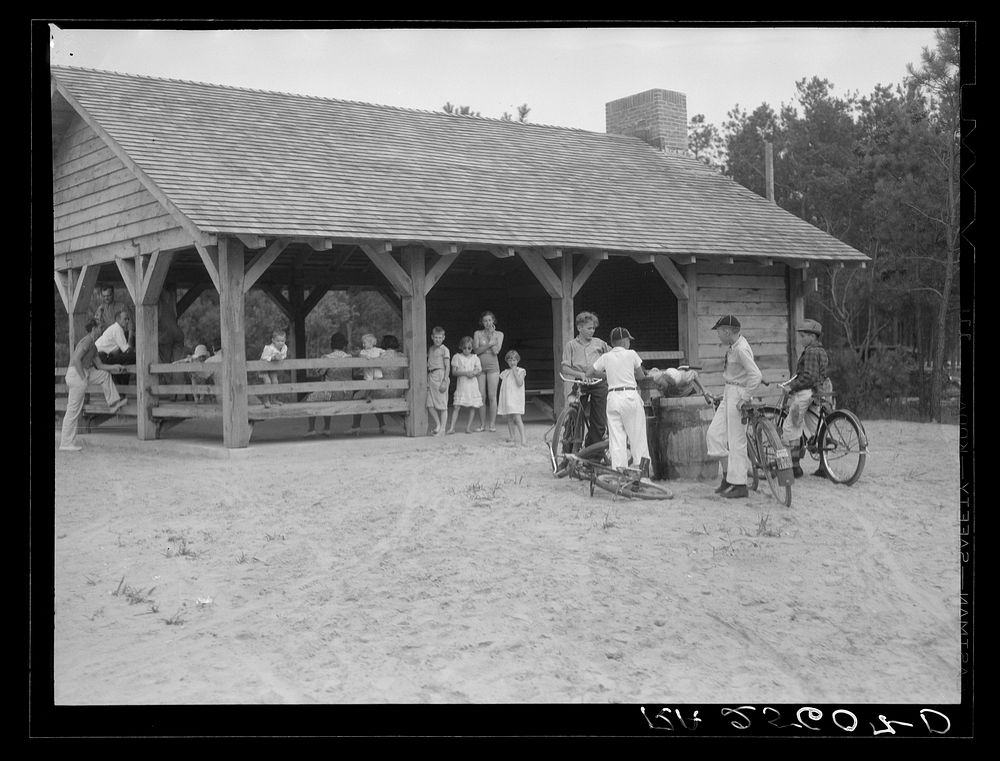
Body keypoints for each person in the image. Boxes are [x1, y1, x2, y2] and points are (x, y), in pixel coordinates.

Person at [705, 315, 762, 499]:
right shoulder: (734, 347)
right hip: (730, 391)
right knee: (714, 435)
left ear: (727, 331)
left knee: (736, 441)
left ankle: (739, 484)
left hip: (738, 394)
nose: (719, 336)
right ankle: (728, 477)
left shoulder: (741, 349)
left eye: (719, 332)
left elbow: (756, 375)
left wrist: (744, 398)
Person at [59, 319, 128, 451]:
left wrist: (115, 366)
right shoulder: (87, 341)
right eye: (100, 327)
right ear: (94, 328)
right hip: (76, 374)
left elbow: (101, 366)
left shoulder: (94, 346)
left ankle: (113, 403)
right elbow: (76, 359)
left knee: (104, 375)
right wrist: (83, 378)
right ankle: (66, 443)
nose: (101, 330)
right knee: (73, 410)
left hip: (84, 372)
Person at [588, 327, 650, 473]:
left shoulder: (606, 357)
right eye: (628, 340)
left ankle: (619, 473)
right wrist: (628, 373)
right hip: (629, 396)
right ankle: (642, 473)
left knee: (616, 439)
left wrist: (608, 375)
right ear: (624, 341)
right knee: (637, 436)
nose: (629, 343)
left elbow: (589, 372)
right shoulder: (631, 354)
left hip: (613, 397)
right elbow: (641, 376)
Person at [781, 318, 833, 479]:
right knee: (816, 426)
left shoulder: (810, 351)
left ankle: (795, 466)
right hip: (819, 391)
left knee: (791, 426)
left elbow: (808, 377)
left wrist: (792, 386)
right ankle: (824, 467)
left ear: (812, 337)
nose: (800, 339)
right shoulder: (821, 351)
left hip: (806, 392)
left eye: (803, 336)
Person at [561, 311, 610, 447]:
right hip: (580, 383)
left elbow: (613, 356)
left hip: (599, 382)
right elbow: (565, 368)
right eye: (589, 328)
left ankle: (593, 455)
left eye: (594, 328)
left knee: (599, 421)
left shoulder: (600, 343)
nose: (592, 331)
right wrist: (582, 375)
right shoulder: (571, 345)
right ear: (579, 328)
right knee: (573, 418)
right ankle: (569, 450)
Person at [305, 332, 352, 436]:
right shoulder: (350, 357)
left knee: (311, 398)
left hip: (332, 393)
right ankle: (326, 428)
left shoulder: (327, 357)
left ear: (332, 345)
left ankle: (312, 429)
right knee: (324, 396)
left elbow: (320, 372)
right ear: (344, 345)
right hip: (348, 393)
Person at [473, 311, 504, 433]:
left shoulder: (499, 334)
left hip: (493, 367)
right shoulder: (478, 333)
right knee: (481, 396)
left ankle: (492, 424)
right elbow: (476, 350)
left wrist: (491, 337)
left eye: (490, 320)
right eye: (485, 320)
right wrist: (489, 344)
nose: (487, 323)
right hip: (480, 367)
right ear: (482, 322)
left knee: (492, 396)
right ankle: (482, 424)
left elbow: (496, 351)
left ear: (493, 321)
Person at [350, 333, 387, 435]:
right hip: (368, 379)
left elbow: (385, 353)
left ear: (371, 343)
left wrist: (380, 358)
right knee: (369, 398)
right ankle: (382, 424)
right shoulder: (363, 352)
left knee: (359, 399)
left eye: (364, 343)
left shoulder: (378, 350)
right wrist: (367, 357)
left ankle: (356, 426)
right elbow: (361, 355)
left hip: (377, 378)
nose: (363, 345)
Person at [446, 336, 483, 434]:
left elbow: (479, 370)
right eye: (464, 348)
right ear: (461, 347)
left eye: (469, 348)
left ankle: (468, 427)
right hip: (462, 384)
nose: (467, 350)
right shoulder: (457, 357)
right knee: (457, 406)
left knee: (472, 406)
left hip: (472, 384)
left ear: (472, 348)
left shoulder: (475, 358)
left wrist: (474, 373)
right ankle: (452, 427)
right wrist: (466, 373)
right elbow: (454, 372)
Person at [95, 308, 136, 386]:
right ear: (118, 320)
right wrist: (131, 338)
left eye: (128, 319)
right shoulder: (117, 329)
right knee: (134, 357)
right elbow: (127, 350)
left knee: (125, 362)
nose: (127, 321)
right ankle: (122, 389)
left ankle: (121, 388)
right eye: (125, 319)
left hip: (102, 357)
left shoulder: (115, 328)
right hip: (100, 357)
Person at [497, 349, 527, 446]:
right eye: (510, 360)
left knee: (517, 419)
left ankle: (523, 438)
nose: (512, 362)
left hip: (516, 399)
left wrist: (515, 372)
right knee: (509, 418)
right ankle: (512, 436)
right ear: (507, 361)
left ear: (517, 360)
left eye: (514, 360)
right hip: (508, 398)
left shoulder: (521, 371)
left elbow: (519, 383)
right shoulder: (505, 372)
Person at [426, 326, 451, 436]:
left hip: (440, 375)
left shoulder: (444, 349)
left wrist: (445, 381)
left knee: (442, 404)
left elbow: (447, 366)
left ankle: (443, 429)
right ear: (432, 337)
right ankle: (438, 425)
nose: (437, 339)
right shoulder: (431, 349)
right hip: (431, 375)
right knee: (429, 404)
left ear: (443, 338)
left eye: (440, 337)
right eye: (436, 337)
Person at [259, 329, 288, 408]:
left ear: (285, 340)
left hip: (272, 368)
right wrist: (273, 358)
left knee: (275, 382)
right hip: (264, 367)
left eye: (282, 341)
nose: (280, 343)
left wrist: (280, 358)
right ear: (273, 341)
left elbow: (283, 356)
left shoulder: (284, 347)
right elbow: (264, 358)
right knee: (268, 382)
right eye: (278, 341)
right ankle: (266, 400)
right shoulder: (268, 348)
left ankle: (274, 399)